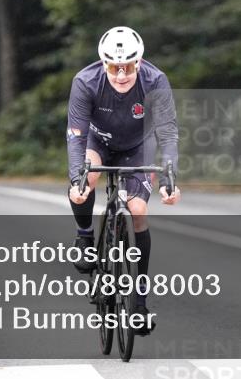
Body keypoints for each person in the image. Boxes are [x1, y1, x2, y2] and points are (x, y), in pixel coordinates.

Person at [66, 26, 181, 335]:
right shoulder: (85, 82)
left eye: (127, 67)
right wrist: (77, 178)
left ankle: (140, 304)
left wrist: (169, 178)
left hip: (138, 147)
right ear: (103, 64)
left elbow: (168, 133)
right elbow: (76, 138)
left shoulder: (155, 81)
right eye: (114, 67)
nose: (120, 75)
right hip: (98, 142)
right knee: (83, 185)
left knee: (139, 211)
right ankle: (85, 237)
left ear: (139, 63)